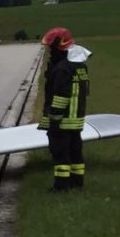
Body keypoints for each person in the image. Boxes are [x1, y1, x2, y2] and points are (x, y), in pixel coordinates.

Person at [39, 28, 90, 191]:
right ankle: (77, 182)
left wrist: (53, 118)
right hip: (77, 119)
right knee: (76, 153)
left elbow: (60, 95)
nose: (49, 51)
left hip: (62, 120)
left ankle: (61, 187)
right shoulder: (80, 66)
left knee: (60, 154)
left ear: (58, 46)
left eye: (51, 48)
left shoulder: (61, 69)